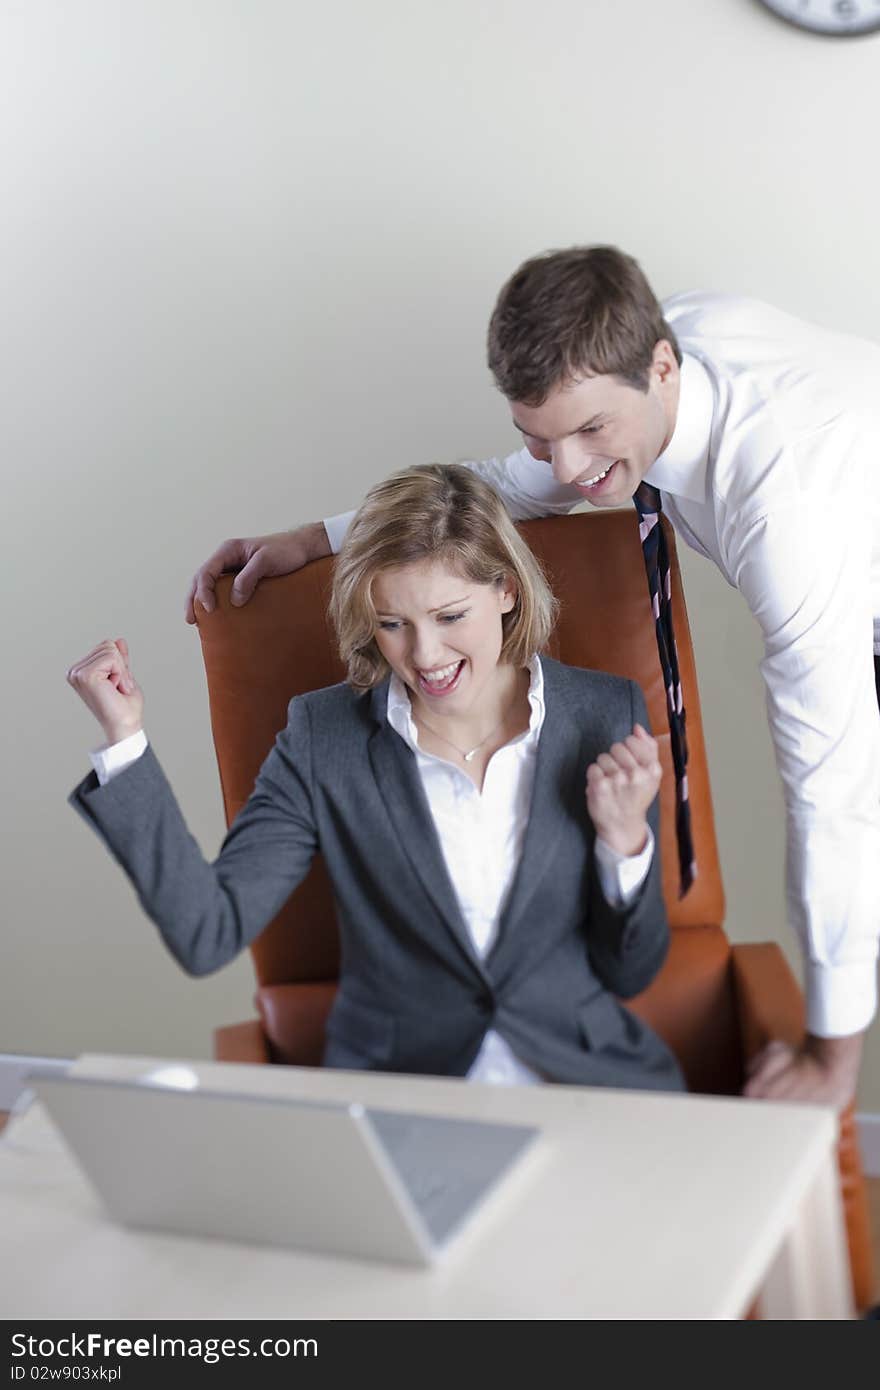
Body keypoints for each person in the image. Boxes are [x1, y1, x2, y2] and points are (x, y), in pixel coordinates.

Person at [184, 246, 880, 1110]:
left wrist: (830, 1051)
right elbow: (520, 486)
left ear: (662, 368)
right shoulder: (655, 351)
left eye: (590, 431)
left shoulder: (786, 517)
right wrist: (317, 539)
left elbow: (834, 791)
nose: (563, 470)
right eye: (537, 433)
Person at [68, 464, 682, 1093]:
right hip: (403, 1090)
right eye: (393, 624)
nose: (425, 656)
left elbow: (630, 972)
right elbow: (206, 931)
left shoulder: (604, 713)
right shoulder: (323, 736)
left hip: (582, 1081)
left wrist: (623, 841)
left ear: (506, 590)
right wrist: (124, 742)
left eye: (449, 617)